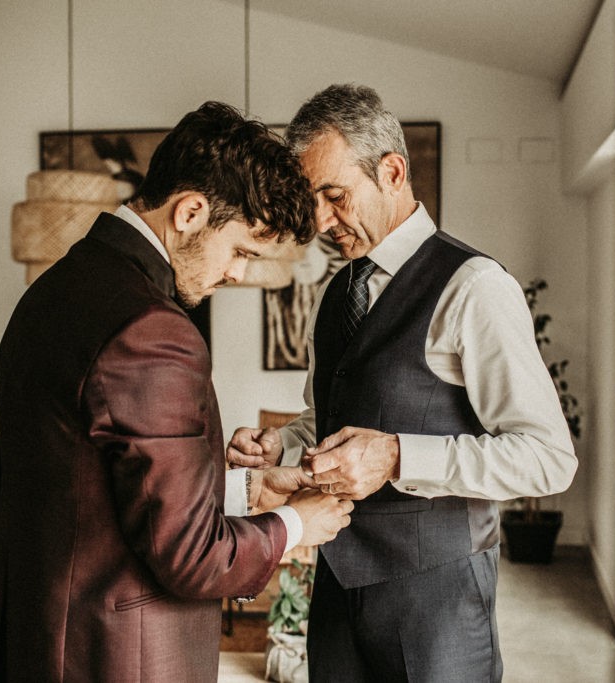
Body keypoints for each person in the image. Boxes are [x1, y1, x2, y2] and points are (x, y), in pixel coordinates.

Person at [0, 101, 353, 682]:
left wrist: (249, 488)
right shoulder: (154, 332)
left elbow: (103, 490)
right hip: (117, 655)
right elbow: (189, 557)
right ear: (189, 212)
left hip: (42, 636)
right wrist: (295, 524)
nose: (236, 274)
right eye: (240, 250)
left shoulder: (56, 289)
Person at [227, 84, 577, 682]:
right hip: (336, 586)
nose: (320, 221)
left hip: (437, 599)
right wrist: (281, 444)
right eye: (312, 201)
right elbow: (326, 416)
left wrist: (396, 456)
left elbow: (549, 459)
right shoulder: (338, 293)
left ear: (392, 170)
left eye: (334, 196)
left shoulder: (475, 287)